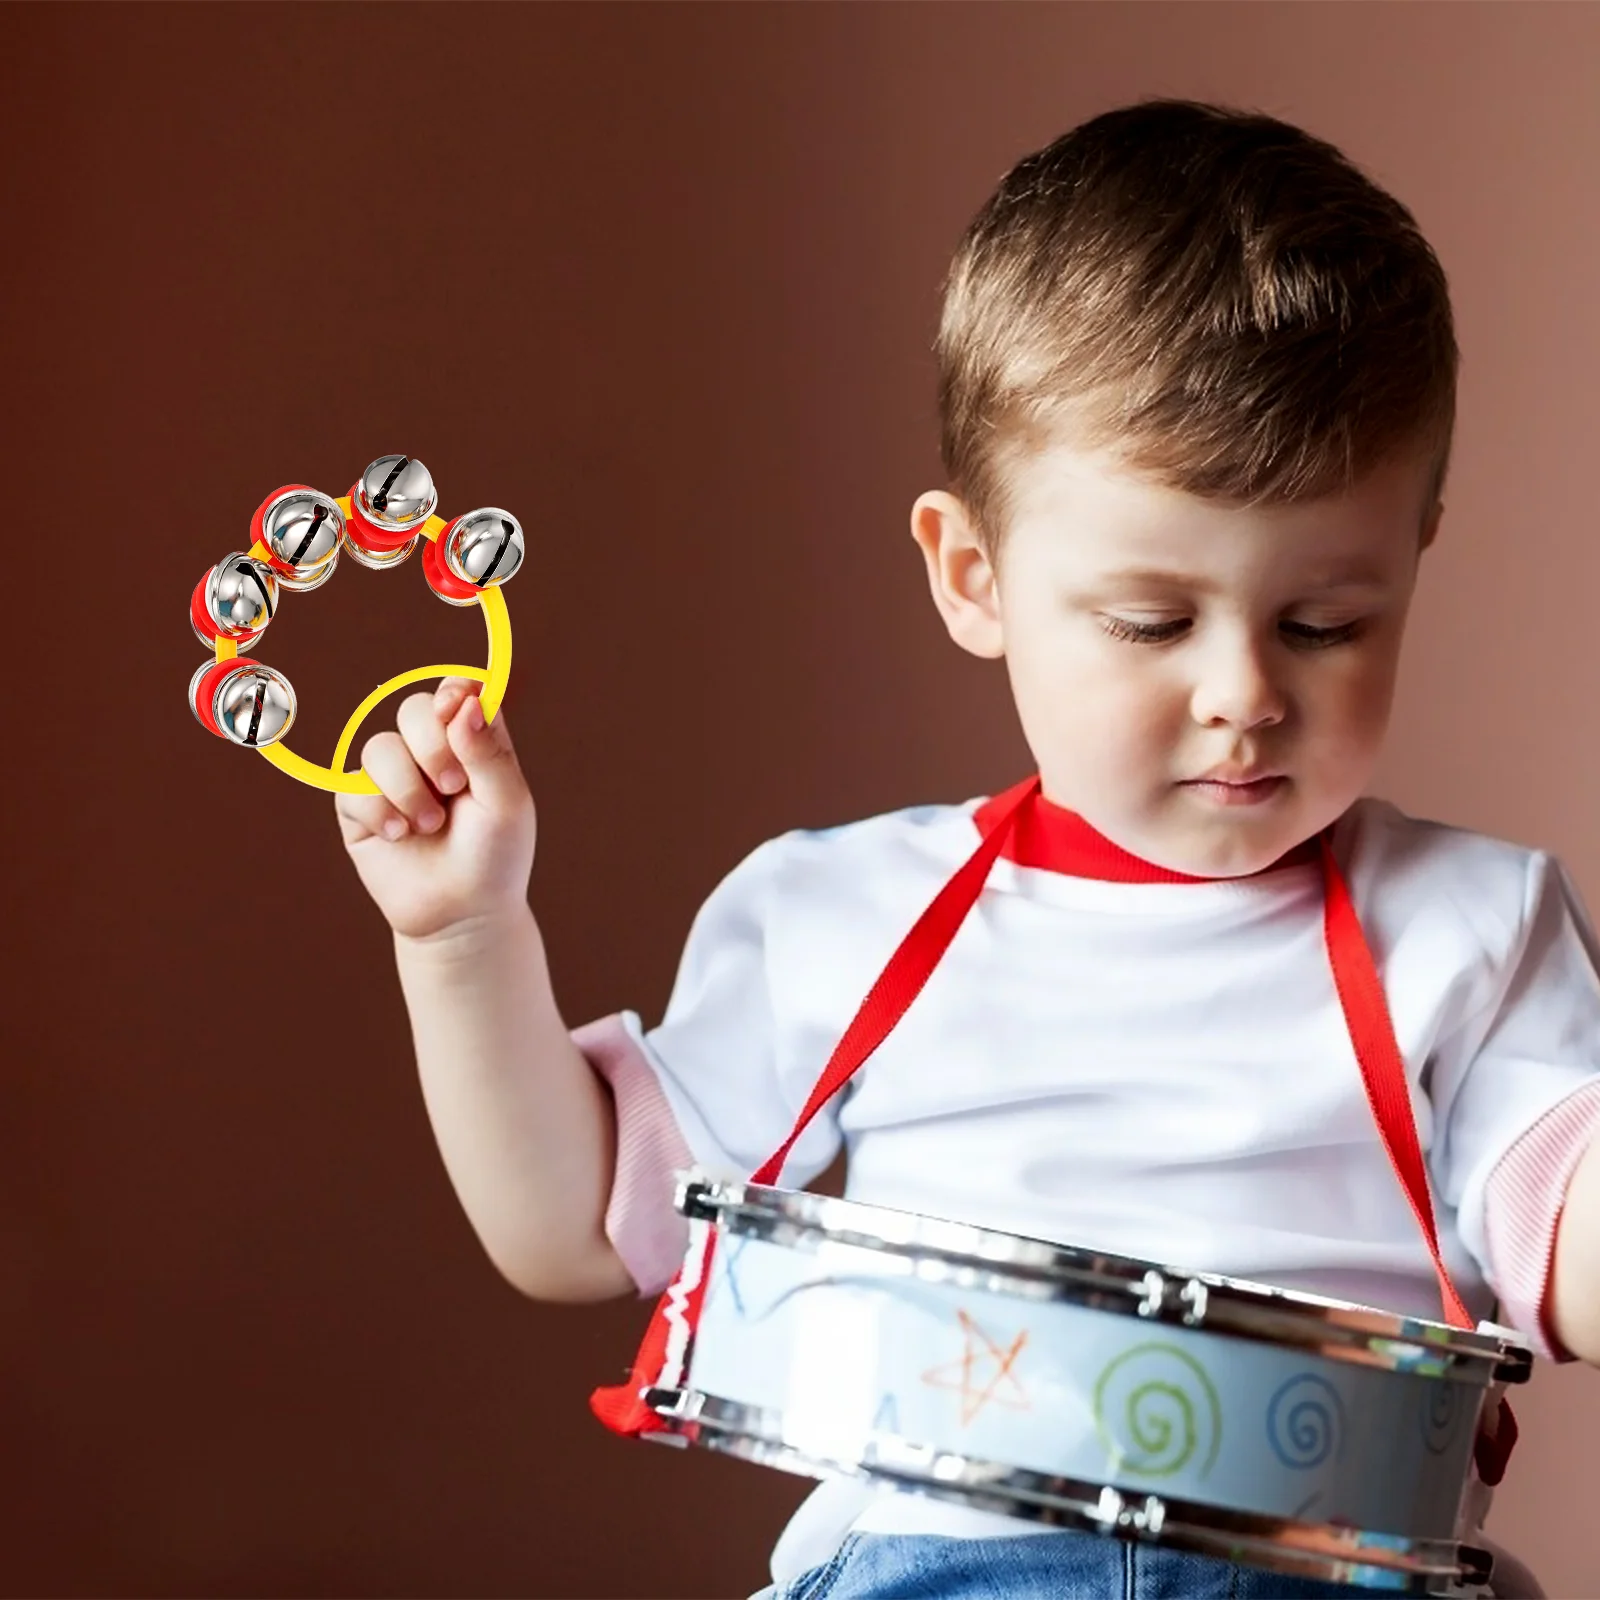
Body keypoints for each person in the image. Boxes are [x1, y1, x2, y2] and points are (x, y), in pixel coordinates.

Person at [333, 99, 1600, 1600]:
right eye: (1150, 622)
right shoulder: (836, 922)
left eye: (1328, 624)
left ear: (1415, 557)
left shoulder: (1470, 928)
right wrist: (462, 939)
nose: (1246, 693)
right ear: (973, 575)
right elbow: (568, 1230)